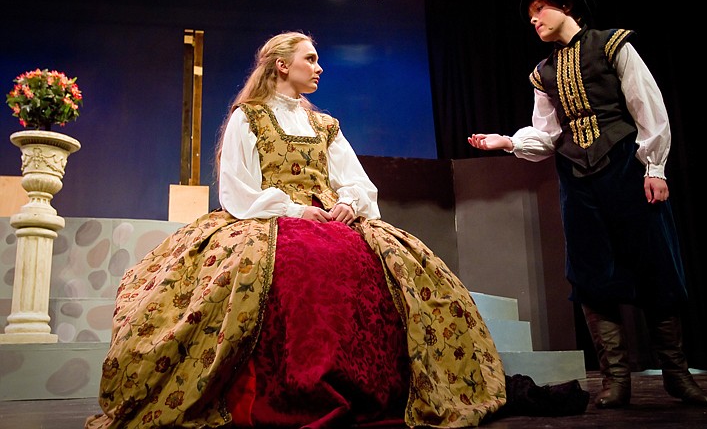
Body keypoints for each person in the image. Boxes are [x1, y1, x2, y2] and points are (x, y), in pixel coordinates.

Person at [85, 31, 515, 429]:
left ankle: (382, 386)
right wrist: (291, 210)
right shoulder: (248, 118)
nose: (319, 67)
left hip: (332, 216)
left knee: (393, 266)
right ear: (281, 66)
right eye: (310, 59)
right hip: (264, 216)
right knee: (296, 266)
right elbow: (238, 188)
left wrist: (347, 202)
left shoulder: (325, 125)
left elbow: (356, 180)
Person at [468, 0, 707, 409]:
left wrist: (654, 166)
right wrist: (506, 142)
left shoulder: (611, 45)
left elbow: (646, 104)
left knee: (655, 262)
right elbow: (546, 135)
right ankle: (616, 380)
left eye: (540, 10)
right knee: (589, 272)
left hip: (624, 166)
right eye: (530, 16)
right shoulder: (543, 72)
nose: (535, 20)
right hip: (577, 177)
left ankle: (676, 374)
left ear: (566, 7)